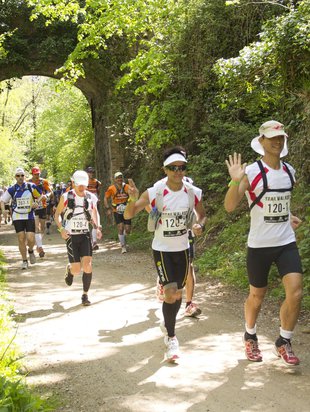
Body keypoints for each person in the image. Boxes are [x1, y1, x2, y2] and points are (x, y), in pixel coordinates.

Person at [224, 120, 303, 366]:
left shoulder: (290, 171)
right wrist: (236, 181)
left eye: (280, 138)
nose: (277, 142)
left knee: (296, 292)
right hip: (259, 244)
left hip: (285, 242)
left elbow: (278, 201)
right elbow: (229, 207)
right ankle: (250, 335)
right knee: (257, 296)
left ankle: (284, 341)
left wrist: (288, 216)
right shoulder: (252, 172)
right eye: (272, 138)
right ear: (262, 142)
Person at [124, 147, 206, 362]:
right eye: (173, 168)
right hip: (162, 249)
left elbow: (203, 215)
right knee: (171, 293)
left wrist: (199, 225)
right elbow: (128, 214)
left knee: (177, 294)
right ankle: (171, 338)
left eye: (182, 168)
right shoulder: (155, 192)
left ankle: (168, 322)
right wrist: (132, 199)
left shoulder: (192, 192)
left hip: (183, 248)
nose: (178, 172)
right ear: (165, 170)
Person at [54, 170, 102, 306]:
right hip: (71, 235)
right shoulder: (66, 196)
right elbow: (57, 214)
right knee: (76, 269)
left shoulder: (91, 197)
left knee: (87, 266)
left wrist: (98, 227)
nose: (82, 187)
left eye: (84, 185)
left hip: (85, 234)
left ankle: (85, 295)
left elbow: (94, 212)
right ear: (73, 183)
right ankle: (70, 270)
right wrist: (61, 229)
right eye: (79, 184)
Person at [1, 168, 42, 269]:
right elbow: (2, 201)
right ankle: (24, 260)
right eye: (18, 176)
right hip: (17, 216)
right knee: (21, 238)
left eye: (22, 175)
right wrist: (3, 211)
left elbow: (41, 196)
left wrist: (37, 203)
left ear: (25, 176)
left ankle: (31, 250)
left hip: (29, 215)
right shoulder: (12, 189)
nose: (20, 178)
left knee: (31, 238)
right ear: (15, 177)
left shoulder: (31, 186)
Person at [28, 167, 53, 257]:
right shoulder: (28, 182)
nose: (37, 176)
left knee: (42, 228)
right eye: (35, 174)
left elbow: (51, 192)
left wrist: (47, 195)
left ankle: (38, 243)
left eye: (38, 174)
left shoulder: (44, 182)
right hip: (33, 207)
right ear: (32, 174)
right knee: (36, 228)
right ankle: (40, 247)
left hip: (42, 206)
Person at [104, 172, 131, 254]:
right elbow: (105, 198)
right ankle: (123, 246)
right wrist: (108, 208)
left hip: (127, 210)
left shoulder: (127, 187)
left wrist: (132, 205)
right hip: (117, 211)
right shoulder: (111, 188)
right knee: (120, 227)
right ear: (115, 179)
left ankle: (123, 236)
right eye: (117, 178)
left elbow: (133, 196)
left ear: (122, 178)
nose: (119, 179)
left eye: (120, 177)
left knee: (128, 230)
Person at [86, 166, 102, 251]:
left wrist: (97, 197)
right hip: (85, 204)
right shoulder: (84, 181)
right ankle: (89, 242)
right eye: (89, 172)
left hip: (94, 204)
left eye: (92, 172)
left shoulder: (96, 182)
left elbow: (98, 189)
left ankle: (94, 242)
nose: (91, 174)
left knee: (95, 223)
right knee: (87, 224)